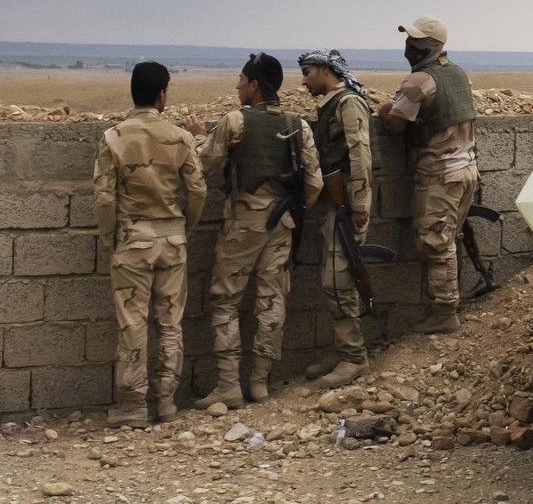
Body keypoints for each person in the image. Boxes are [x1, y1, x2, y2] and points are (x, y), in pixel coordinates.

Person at [186, 52, 321, 407]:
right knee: (272, 299)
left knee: (225, 300)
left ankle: (229, 385)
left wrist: (200, 136)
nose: (237, 85)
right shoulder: (298, 125)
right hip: (281, 223)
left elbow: (205, 163)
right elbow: (314, 183)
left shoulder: (235, 121)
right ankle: (260, 383)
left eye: (242, 80)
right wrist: (292, 206)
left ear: (255, 85)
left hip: (243, 224)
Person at [93, 61, 206, 429]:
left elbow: (105, 199)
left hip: (132, 242)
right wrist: (183, 225)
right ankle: (166, 401)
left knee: (133, 324)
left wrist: (110, 238)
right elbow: (198, 191)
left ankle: (133, 404)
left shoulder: (114, 137)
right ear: (162, 95)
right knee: (170, 323)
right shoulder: (181, 138)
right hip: (172, 241)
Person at [377, 15, 476, 334]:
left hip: (440, 175)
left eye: (415, 42)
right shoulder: (459, 74)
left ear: (431, 46)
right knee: (447, 240)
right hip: (466, 170)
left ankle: (445, 314)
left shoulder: (418, 81)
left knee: (435, 242)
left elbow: (394, 124)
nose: (409, 47)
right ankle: (447, 306)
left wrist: (384, 111)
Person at [297, 48, 374, 387]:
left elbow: (360, 155)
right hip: (335, 202)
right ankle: (342, 350)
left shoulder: (348, 103)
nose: (304, 80)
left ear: (326, 70)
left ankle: (355, 358)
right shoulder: (332, 103)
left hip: (347, 206)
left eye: (308, 73)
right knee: (331, 281)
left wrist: (357, 205)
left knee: (341, 281)